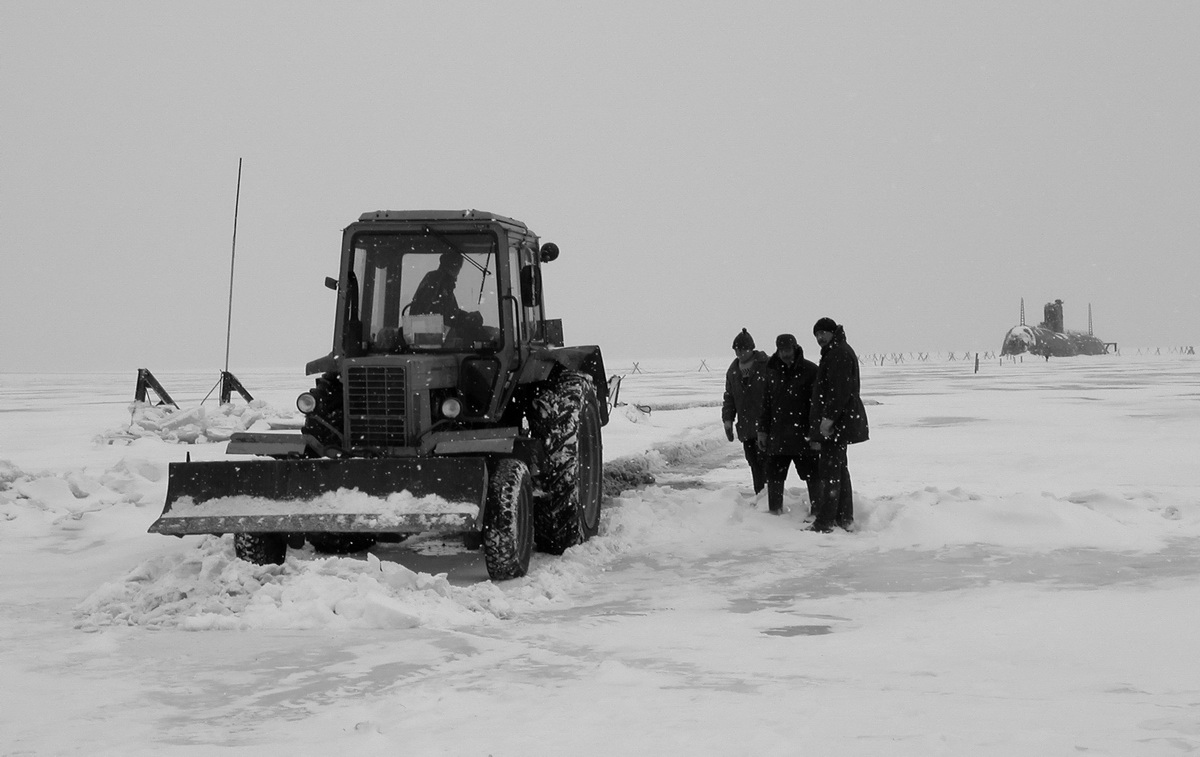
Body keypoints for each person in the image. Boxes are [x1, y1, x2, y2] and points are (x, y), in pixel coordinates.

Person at [808, 317, 869, 532]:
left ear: (833, 332)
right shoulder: (835, 351)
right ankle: (844, 517)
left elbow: (839, 390)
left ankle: (825, 522)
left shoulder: (839, 353)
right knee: (839, 470)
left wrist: (828, 419)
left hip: (837, 423)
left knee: (830, 472)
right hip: (841, 421)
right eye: (817, 334)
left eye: (823, 333)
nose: (820, 337)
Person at [757, 333, 820, 515]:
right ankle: (775, 513)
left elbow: (816, 406)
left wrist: (815, 434)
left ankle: (817, 512)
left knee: (813, 475)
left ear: (795, 348)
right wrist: (762, 430)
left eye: (788, 349)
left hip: (803, 435)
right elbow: (766, 404)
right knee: (775, 476)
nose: (785, 354)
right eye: (782, 350)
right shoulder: (771, 370)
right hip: (778, 435)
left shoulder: (810, 371)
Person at [722, 328, 770, 496]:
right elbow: (729, 397)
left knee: (769, 465)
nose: (739, 353)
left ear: (751, 348)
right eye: (736, 350)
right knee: (754, 464)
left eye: (743, 349)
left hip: (766, 426)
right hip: (746, 426)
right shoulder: (733, 371)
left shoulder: (767, 365)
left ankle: (772, 500)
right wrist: (727, 419)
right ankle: (760, 496)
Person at [409, 251, 484, 335]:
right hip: (431, 337)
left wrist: (468, 317)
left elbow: (450, 313)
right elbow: (429, 315)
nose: (457, 270)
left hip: (435, 334)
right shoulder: (436, 280)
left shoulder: (444, 285)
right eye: (456, 264)